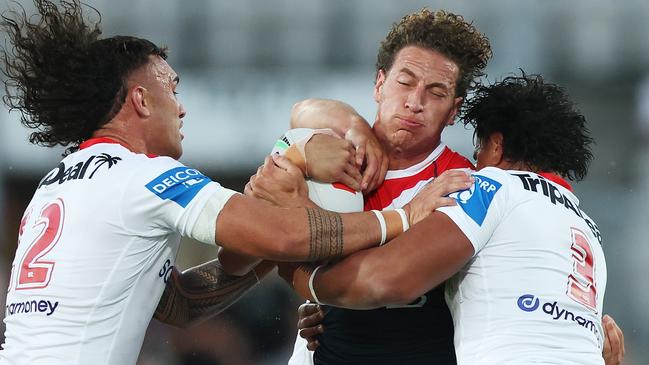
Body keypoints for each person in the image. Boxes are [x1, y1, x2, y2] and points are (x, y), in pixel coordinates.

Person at [0, 1, 455, 364]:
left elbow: (180, 306)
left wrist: (267, 232)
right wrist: (404, 216)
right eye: (171, 89)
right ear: (140, 99)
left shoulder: (54, 184)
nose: (181, 108)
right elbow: (286, 234)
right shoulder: (143, 176)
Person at [269, 73, 620, 364]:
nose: (474, 162)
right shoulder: (587, 226)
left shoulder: (490, 185)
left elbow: (387, 281)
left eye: (478, 150)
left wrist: (307, 278)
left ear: (495, 146)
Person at [272, 9, 491, 364]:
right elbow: (303, 111)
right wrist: (354, 125)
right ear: (379, 84)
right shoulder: (336, 150)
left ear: (454, 110)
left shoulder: (461, 181)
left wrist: (318, 287)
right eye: (405, 82)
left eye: (436, 92)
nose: (414, 103)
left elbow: (384, 279)